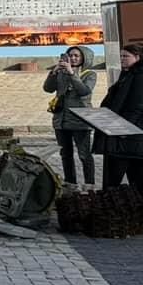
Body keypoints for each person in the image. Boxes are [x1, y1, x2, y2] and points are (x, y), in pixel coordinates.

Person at [99, 41, 143, 198]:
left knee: (119, 171)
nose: (122, 59)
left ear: (137, 57)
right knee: (135, 167)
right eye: (121, 56)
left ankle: (113, 205)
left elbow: (137, 106)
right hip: (126, 131)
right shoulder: (130, 74)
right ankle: (134, 204)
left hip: (128, 133)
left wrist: (123, 128)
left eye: (126, 56)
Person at [44, 45, 97, 187]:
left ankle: (89, 183)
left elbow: (84, 91)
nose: (73, 58)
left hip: (81, 119)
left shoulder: (89, 74)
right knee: (65, 154)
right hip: (61, 119)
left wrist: (72, 74)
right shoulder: (61, 73)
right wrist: (54, 73)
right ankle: (70, 182)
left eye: (76, 56)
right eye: (70, 55)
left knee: (84, 154)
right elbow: (48, 88)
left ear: (84, 58)